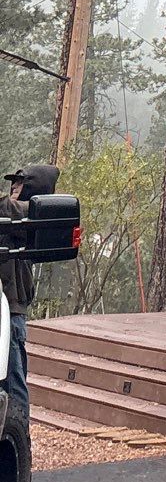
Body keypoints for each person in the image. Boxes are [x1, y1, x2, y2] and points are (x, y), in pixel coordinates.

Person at [0, 165, 58, 423]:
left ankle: (19, 437)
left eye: (20, 183)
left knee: (13, 382)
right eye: (13, 182)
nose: (13, 187)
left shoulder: (30, 215)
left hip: (10, 313)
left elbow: (6, 208)